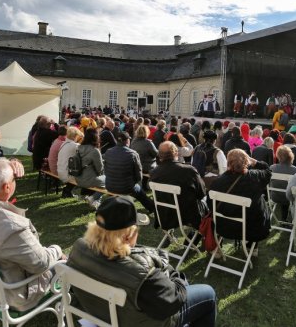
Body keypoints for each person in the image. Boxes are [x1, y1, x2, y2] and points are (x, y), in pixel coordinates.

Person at [67, 196, 217, 326]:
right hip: (140, 322)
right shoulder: (142, 275)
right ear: (127, 236)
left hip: (102, 314)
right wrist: (175, 275)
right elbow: (174, 301)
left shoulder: (78, 249)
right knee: (208, 294)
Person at [0, 157, 66, 312]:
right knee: (63, 262)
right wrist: (58, 250)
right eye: (14, 178)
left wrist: (10, 162)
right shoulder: (12, 227)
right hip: (13, 295)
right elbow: (41, 263)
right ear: (7, 187)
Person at [209, 149, 272, 246]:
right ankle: (252, 246)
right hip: (252, 228)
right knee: (261, 203)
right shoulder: (256, 177)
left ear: (228, 162)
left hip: (225, 226)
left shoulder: (218, 181)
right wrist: (255, 162)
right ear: (247, 161)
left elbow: (210, 205)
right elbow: (268, 170)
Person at [150, 141, 209, 230]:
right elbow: (202, 193)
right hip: (188, 216)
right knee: (208, 202)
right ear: (176, 152)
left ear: (160, 155)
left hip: (165, 214)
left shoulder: (154, 172)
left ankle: (191, 237)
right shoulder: (189, 170)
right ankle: (199, 236)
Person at [103, 132, 155, 214]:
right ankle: (152, 208)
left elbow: (105, 170)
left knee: (136, 189)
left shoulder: (108, 152)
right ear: (127, 141)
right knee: (141, 193)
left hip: (110, 185)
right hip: (126, 186)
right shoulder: (133, 154)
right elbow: (139, 175)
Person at [75, 128, 107, 209]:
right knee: (109, 180)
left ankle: (89, 197)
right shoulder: (95, 150)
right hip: (88, 180)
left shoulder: (79, 147)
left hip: (78, 178)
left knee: (101, 178)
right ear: (96, 137)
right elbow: (100, 169)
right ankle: (94, 200)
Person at [270, 145, 296, 221]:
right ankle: (289, 219)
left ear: (278, 156)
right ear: (290, 156)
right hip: (289, 198)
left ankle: (284, 218)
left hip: (275, 196)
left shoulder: (272, 168)